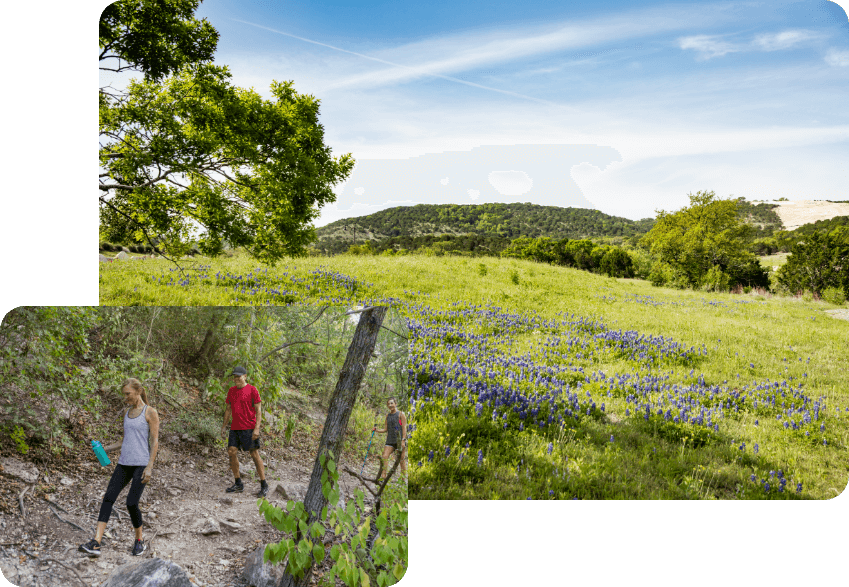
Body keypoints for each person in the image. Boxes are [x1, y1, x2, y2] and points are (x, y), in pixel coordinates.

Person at [79, 378, 160, 557]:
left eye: (128, 394)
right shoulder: (127, 413)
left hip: (141, 463)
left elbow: (154, 442)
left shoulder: (150, 412)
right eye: (124, 394)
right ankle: (96, 542)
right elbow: (124, 441)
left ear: (138, 391)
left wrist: (150, 467)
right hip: (124, 463)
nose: (125, 398)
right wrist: (104, 449)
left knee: (131, 502)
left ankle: (139, 540)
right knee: (108, 498)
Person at [220, 366, 268, 497]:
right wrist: (224, 426)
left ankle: (264, 484)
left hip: (249, 427)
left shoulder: (253, 390)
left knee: (254, 454)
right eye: (234, 377)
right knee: (231, 451)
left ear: (245, 376)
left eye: (238, 376)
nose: (236, 379)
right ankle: (238, 483)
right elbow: (228, 409)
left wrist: (257, 428)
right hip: (235, 427)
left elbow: (258, 411)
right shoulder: (231, 391)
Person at [372, 398, 407, 481]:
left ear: (395, 404)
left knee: (401, 459)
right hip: (390, 440)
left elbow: (404, 427)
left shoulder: (401, 414)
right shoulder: (388, 415)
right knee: (384, 456)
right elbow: (385, 429)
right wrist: (376, 430)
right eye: (388, 404)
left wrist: (403, 440)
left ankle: (403, 479)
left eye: (391, 403)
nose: (390, 405)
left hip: (399, 440)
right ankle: (383, 476)